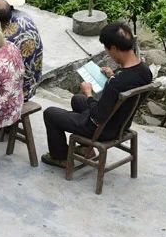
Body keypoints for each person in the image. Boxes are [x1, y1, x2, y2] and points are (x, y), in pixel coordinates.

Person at [41, 22, 153, 168]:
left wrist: (89, 94)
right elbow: (127, 83)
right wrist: (112, 76)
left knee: (50, 113)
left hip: (103, 129)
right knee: (77, 99)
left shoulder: (116, 83)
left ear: (114, 48)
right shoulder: (145, 71)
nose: (108, 53)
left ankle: (60, 157)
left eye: (107, 49)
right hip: (122, 121)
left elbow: (98, 117)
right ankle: (84, 149)